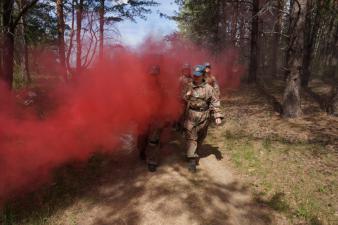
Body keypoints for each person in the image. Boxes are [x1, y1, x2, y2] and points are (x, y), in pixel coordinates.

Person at [183, 65, 223, 172]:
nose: (196, 77)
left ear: (203, 76)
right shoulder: (189, 86)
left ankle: (193, 152)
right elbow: (181, 98)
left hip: (204, 116)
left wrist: (217, 116)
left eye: (198, 76)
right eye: (194, 75)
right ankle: (192, 160)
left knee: (201, 136)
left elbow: (215, 102)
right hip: (191, 114)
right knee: (191, 137)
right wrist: (187, 95)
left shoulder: (209, 89)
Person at [137, 65, 165, 172]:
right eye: (152, 74)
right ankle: (141, 151)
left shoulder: (161, 88)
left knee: (154, 140)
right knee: (142, 137)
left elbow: (164, 102)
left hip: (156, 117)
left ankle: (152, 161)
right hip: (143, 116)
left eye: (156, 74)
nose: (154, 77)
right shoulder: (142, 87)